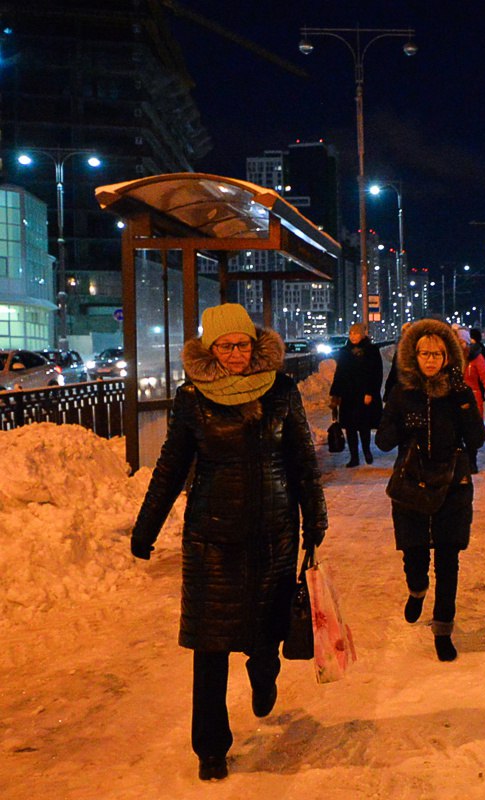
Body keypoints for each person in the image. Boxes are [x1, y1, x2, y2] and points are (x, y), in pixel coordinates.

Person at [129, 302, 327, 782]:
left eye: (243, 344)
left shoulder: (281, 391)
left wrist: (315, 516)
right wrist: (145, 528)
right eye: (226, 345)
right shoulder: (192, 399)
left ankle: (265, 673)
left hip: (275, 531)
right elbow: (172, 467)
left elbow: (302, 458)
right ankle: (211, 749)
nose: (236, 353)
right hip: (211, 539)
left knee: (266, 630)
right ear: (211, 350)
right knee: (210, 646)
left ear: (254, 345)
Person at [376, 318, 485, 663]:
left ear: (449, 356)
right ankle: (416, 588)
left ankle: (443, 629)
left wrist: (463, 399)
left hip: (452, 484)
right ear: (413, 354)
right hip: (411, 484)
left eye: (438, 353)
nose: (431, 360)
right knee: (415, 554)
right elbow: (383, 440)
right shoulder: (401, 391)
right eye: (424, 353)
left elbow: (477, 440)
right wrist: (404, 426)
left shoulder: (459, 392)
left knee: (448, 561)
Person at [329, 322, 383, 467]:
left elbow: (377, 374)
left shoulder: (372, 350)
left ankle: (367, 451)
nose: (353, 336)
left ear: (363, 334)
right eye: (351, 333)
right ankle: (354, 457)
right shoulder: (344, 351)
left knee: (364, 426)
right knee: (350, 428)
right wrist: (335, 394)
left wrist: (370, 392)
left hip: (364, 395)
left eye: (356, 333)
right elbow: (339, 373)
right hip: (348, 396)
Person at [463, 328, 485, 473]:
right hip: (456, 399)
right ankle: (461, 461)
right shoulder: (453, 357)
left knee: (472, 431)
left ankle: (472, 461)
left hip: (474, 398)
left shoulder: (477, 357)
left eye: (464, 341)